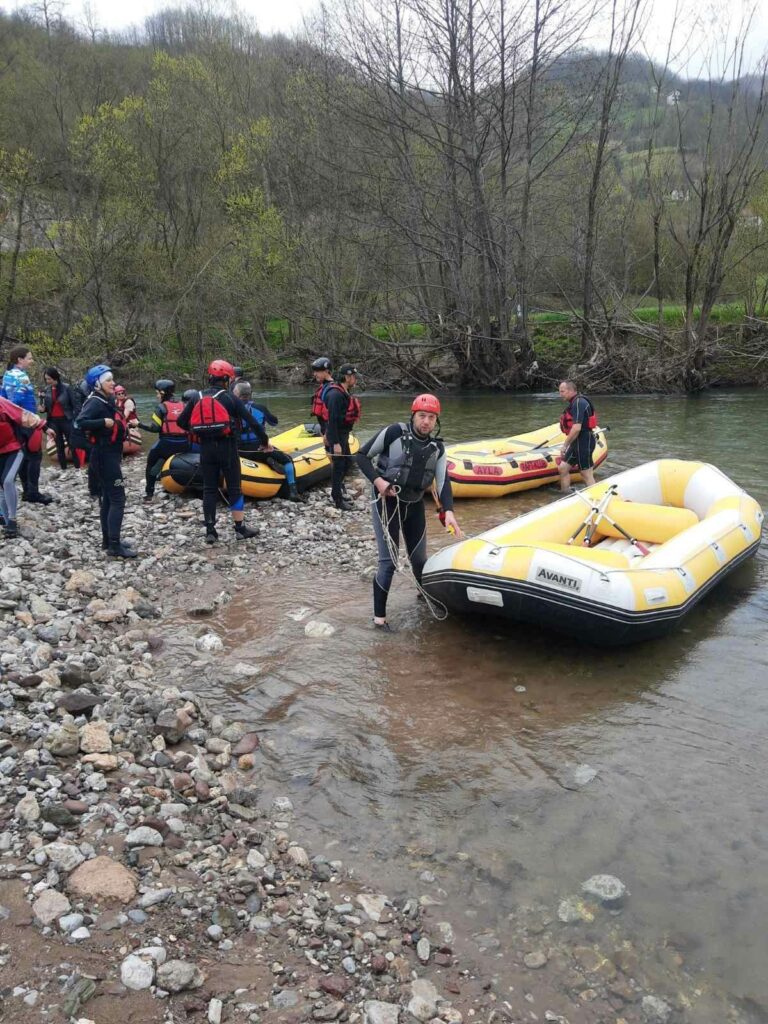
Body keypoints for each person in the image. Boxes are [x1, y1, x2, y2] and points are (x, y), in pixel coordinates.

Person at [356, 394, 462, 631]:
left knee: (419, 559)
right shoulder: (394, 432)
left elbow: (443, 483)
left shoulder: (438, 448)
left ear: (436, 421)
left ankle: (423, 596)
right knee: (389, 562)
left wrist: (450, 512)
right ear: (413, 415)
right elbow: (361, 456)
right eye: (422, 416)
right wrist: (378, 482)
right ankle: (379, 621)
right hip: (386, 503)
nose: (426, 422)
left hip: (413, 504)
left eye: (431, 417)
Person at [176, 359, 268, 544]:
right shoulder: (230, 397)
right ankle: (240, 528)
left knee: (209, 488)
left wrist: (197, 430)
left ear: (210, 377)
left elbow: (181, 423)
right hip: (227, 447)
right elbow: (252, 422)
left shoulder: (196, 397)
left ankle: (210, 531)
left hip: (206, 448)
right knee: (234, 487)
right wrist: (265, 442)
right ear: (227, 379)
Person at [75, 364, 136, 558]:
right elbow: (80, 423)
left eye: (112, 379)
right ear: (97, 383)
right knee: (118, 499)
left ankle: (108, 540)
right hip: (104, 456)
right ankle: (115, 546)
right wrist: (103, 422)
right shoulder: (95, 402)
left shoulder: (104, 399)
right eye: (108, 380)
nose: (113, 383)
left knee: (109, 499)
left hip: (107, 456)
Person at [233, 381, 302, 502]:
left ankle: (269, 460)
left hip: (238, 450)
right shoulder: (260, 408)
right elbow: (274, 422)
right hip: (259, 449)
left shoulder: (230, 409)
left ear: (236, 394)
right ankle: (293, 492)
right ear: (250, 394)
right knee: (287, 460)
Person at [1, 344, 52, 504]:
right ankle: (33, 493)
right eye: (29, 358)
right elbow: (19, 398)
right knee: (35, 455)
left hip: (13, 421)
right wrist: (27, 413)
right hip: (26, 420)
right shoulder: (22, 376)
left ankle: (25, 491)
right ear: (20, 360)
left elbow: (3, 397)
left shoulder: (7, 374)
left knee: (22, 454)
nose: (32, 361)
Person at [138, 378, 190, 501]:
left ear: (162, 393)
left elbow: (154, 429)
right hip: (184, 444)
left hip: (166, 444)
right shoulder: (184, 405)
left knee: (151, 464)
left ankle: (149, 492)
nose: (156, 396)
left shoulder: (161, 408)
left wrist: (138, 424)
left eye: (157, 393)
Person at [0, 395, 43, 538]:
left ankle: (12, 519)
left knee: (8, 481)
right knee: (1, 487)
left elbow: (22, 415)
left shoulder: (2, 403)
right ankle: (7, 523)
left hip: (14, 449)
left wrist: (44, 426)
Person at [325, 364, 361, 510]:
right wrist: (335, 443)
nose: (356, 379)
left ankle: (339, 491)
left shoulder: (344, 392)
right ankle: (338, 499)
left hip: (343, 434)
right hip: (337, 436)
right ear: (347, 377)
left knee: (346, 463)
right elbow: (332, 420)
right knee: (339, 465)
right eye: (354, 376)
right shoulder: (336, 395)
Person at [557, 379, 598, 493]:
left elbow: (576, 428)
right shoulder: (575, 402)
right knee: (563, 468)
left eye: (562, 391)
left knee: (586, 473)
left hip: (584, 441)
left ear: (570, 391)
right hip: (577, 441)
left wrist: (565, 445)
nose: (560, 394)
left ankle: (596, 497)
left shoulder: (579, 403)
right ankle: (566, 493)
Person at [41, 367, 78, 470]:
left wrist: (75, 420)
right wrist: (42, 409)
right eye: (46, 379)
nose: (47, 381)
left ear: (55, 377)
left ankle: (77, 468)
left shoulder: (66, 388)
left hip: (66, 419)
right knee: (59, 445)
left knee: (72, 444)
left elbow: (75, 405)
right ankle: (64, 469)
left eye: (49, 379)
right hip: (53, 421)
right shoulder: (47, 390)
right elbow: (47, 408)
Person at [309, 357, 334, 436]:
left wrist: (328, 434)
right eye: (314, 371)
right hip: (325, 428)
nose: (314, 374)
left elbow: (333, 414)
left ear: (326, 371)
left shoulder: (332, 389)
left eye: (317, 371)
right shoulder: (324, 386)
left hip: (331, 432)